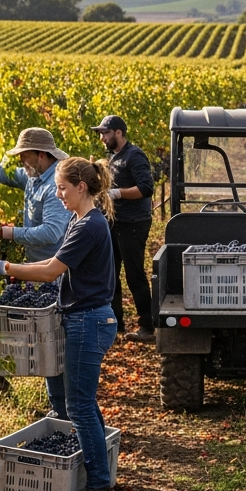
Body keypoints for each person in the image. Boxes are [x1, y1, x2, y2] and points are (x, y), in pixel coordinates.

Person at [0, 157, 120, 491]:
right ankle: (100, 475)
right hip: (86, 319)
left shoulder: (89, 225)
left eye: (62, 188)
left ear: (81, 187)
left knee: (79, 406)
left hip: (89, 322)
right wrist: (11, 271)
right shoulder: (81, 220)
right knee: (84, 403)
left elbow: (50, 272)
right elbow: (51, 264)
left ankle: (100, 490)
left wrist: (4, 267)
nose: (57, 195)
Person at [0, 127, 73, 417]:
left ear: (40, 155)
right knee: (47, 342)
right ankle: (58, 408)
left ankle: (67, 411)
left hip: (56, 275)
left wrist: (9, 233)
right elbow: (3, 174)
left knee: (55, 343)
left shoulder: (54, 188)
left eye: (24, 155)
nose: (21, 161)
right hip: (37, 274)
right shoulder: (33, 177)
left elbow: (51, 232)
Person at [92, 115, 156, 344]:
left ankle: (147, 326)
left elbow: (146, 188)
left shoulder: (134, 155)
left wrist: (118, 194)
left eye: (105, 133)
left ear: (118, 132)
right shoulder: (114, 158)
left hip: (133, 223)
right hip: (114, 221)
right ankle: (116, 324)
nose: (102, 137)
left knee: (134, 273)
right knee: (111, 272)